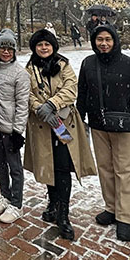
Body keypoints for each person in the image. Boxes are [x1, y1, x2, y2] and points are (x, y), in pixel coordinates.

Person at [77, 23, 130, 242]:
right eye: (100, 39)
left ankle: (125, 216)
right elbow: (82, 93)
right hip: (98, 124)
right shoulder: (88, 63)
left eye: (108, 39)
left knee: (124, 170)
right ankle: (111, 207)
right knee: (105, 168)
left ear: (115, 41)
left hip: (122, 126)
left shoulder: (128, 64)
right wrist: (81, 117)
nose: (104, 43)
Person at [24, 28, 97, 240]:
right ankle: (53, 202)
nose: (43, 48)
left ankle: (63, 214)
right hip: (42, 125)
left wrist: (52, 104)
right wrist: (39, 108)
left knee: (63, 167)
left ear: (53, 46)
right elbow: (27, 93)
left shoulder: (63, 65)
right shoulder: (29, 69)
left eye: (47, 44)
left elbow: (70, 88)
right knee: (48, 165)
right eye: (39, 45)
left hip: (63, 124)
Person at [0, 29, 30, 224]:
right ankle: (5, 195)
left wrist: (17, 131)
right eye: (2, 48)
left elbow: (22, 104)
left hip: (10, 128)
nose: (6, 52)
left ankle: (16, 203)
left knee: (15, 167)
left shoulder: (20, 74)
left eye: (10, 49)